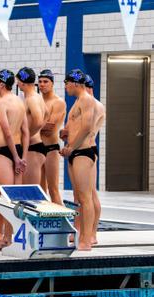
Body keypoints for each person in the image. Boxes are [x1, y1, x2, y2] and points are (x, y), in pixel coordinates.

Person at [0, 69, 29, 250]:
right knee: (15, 199)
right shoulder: (20, 102)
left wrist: (14, 157)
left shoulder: (1, 103)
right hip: (19, 151)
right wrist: (22, 157)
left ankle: (5, 239)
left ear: (2, 84)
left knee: (5, 197)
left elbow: (6, 132)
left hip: (6, 152)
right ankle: (10, 237)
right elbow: (26, 133)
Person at [60, 69, 96, 251]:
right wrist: (65, 134)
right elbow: (74, 127)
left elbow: (87, 128)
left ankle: (87, 240)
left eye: (66, 83)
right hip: (73, 152)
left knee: (85, 198)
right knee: (78, 198)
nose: (65, 87)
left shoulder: (87, 100)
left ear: (74, 83)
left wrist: (71, 147)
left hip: (83, 152)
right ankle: (80, 235)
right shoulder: (77, 103)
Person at [38, 70, 66, 205]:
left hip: (51, 149)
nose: (42, 84)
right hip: (36, 149)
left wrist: (33, 125)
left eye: (46, 82)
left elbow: (50, 129)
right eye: (40, 81)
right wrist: (41, 125)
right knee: (40, 189)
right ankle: (43, 222)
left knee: (53, 188)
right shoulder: (36, 100)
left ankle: (61, 222)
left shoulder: (58, 102)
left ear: (52, 83)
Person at [16, 67, 47, 185]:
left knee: (31, 194)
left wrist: (27, 137)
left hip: (33, 148)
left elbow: (38, 121)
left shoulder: (31, 99)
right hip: (36, 146)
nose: (17, 83)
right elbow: (47, 113)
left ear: (23, 82)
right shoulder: (37, 96)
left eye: (18, 80)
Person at [85, 74, 105, 244]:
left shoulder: (95, 105)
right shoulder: (87, 104)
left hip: (87, 150)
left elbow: (88, 130)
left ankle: (92, 233)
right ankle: (86, 232)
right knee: (84, 195)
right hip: (83, 149)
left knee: (90, 194)